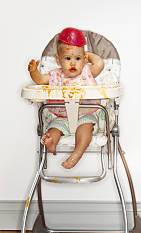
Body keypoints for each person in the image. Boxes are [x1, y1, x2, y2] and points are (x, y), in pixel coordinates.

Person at [28, 27, 104, 169]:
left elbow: (100, 64)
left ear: (84, 59)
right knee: (53, 130)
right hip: (61, 117)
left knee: (86, 130)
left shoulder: (87, 71)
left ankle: (77, 153)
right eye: (68, 58)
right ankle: (51, 142)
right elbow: (39, 80)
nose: (73, 63)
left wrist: (88, 55)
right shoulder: (55, 75)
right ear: (58, 60)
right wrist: (34, 72)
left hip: (84, 115)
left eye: (78, 58)